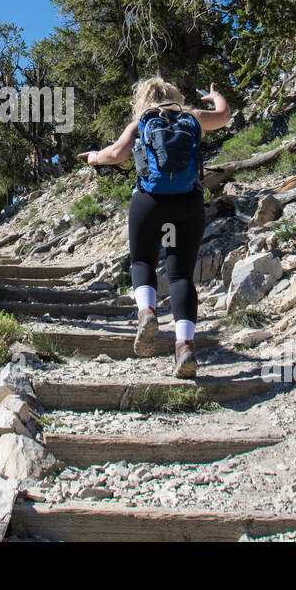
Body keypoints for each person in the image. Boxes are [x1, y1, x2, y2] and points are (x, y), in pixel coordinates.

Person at [78, 77, 231, 377]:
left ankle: (147, 312)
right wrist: (215, 96)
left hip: (149, 202)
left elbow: (118, 154)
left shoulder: (142, 122)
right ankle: (185, 346)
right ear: (175, 95)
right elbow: (224, 117)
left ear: (144, 98)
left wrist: (95, 157)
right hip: (188, 203)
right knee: (181, 275)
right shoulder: (191, 118)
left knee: (143, 260)